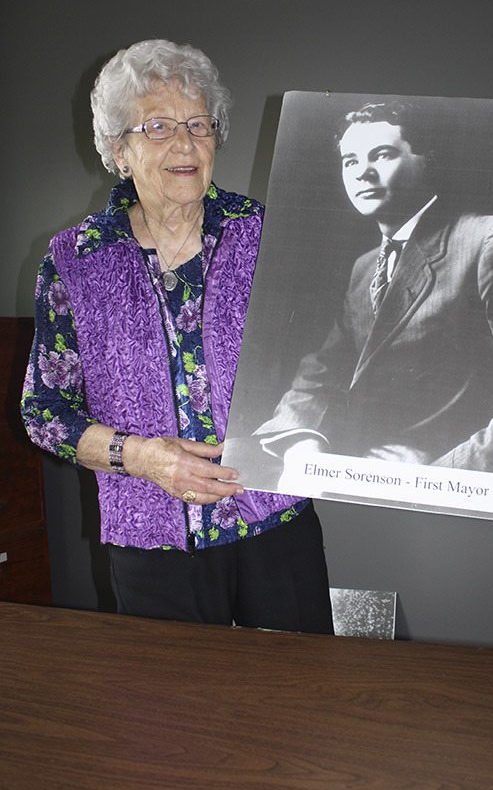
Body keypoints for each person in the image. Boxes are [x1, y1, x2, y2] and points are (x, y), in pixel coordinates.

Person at [21, 39, 333, 632]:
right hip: (150, 540)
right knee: (173, 720)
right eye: (158, 126)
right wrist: (143, 457)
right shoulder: (75, 261)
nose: (185, 144)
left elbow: (372, 325)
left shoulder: (268, 234)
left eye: (198, 124)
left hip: (275, 527)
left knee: (299, 708)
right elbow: (43, 413)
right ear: (119, 150)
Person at [255, 102, 493, 525]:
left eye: (381, 154)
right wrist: (302, 446)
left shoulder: (491, 240)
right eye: (350, 160)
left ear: (427, 158)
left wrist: (428, 485)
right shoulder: (365, 266)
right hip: (351, 461)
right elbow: (322, 370)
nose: (362, 173)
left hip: (440, 473)